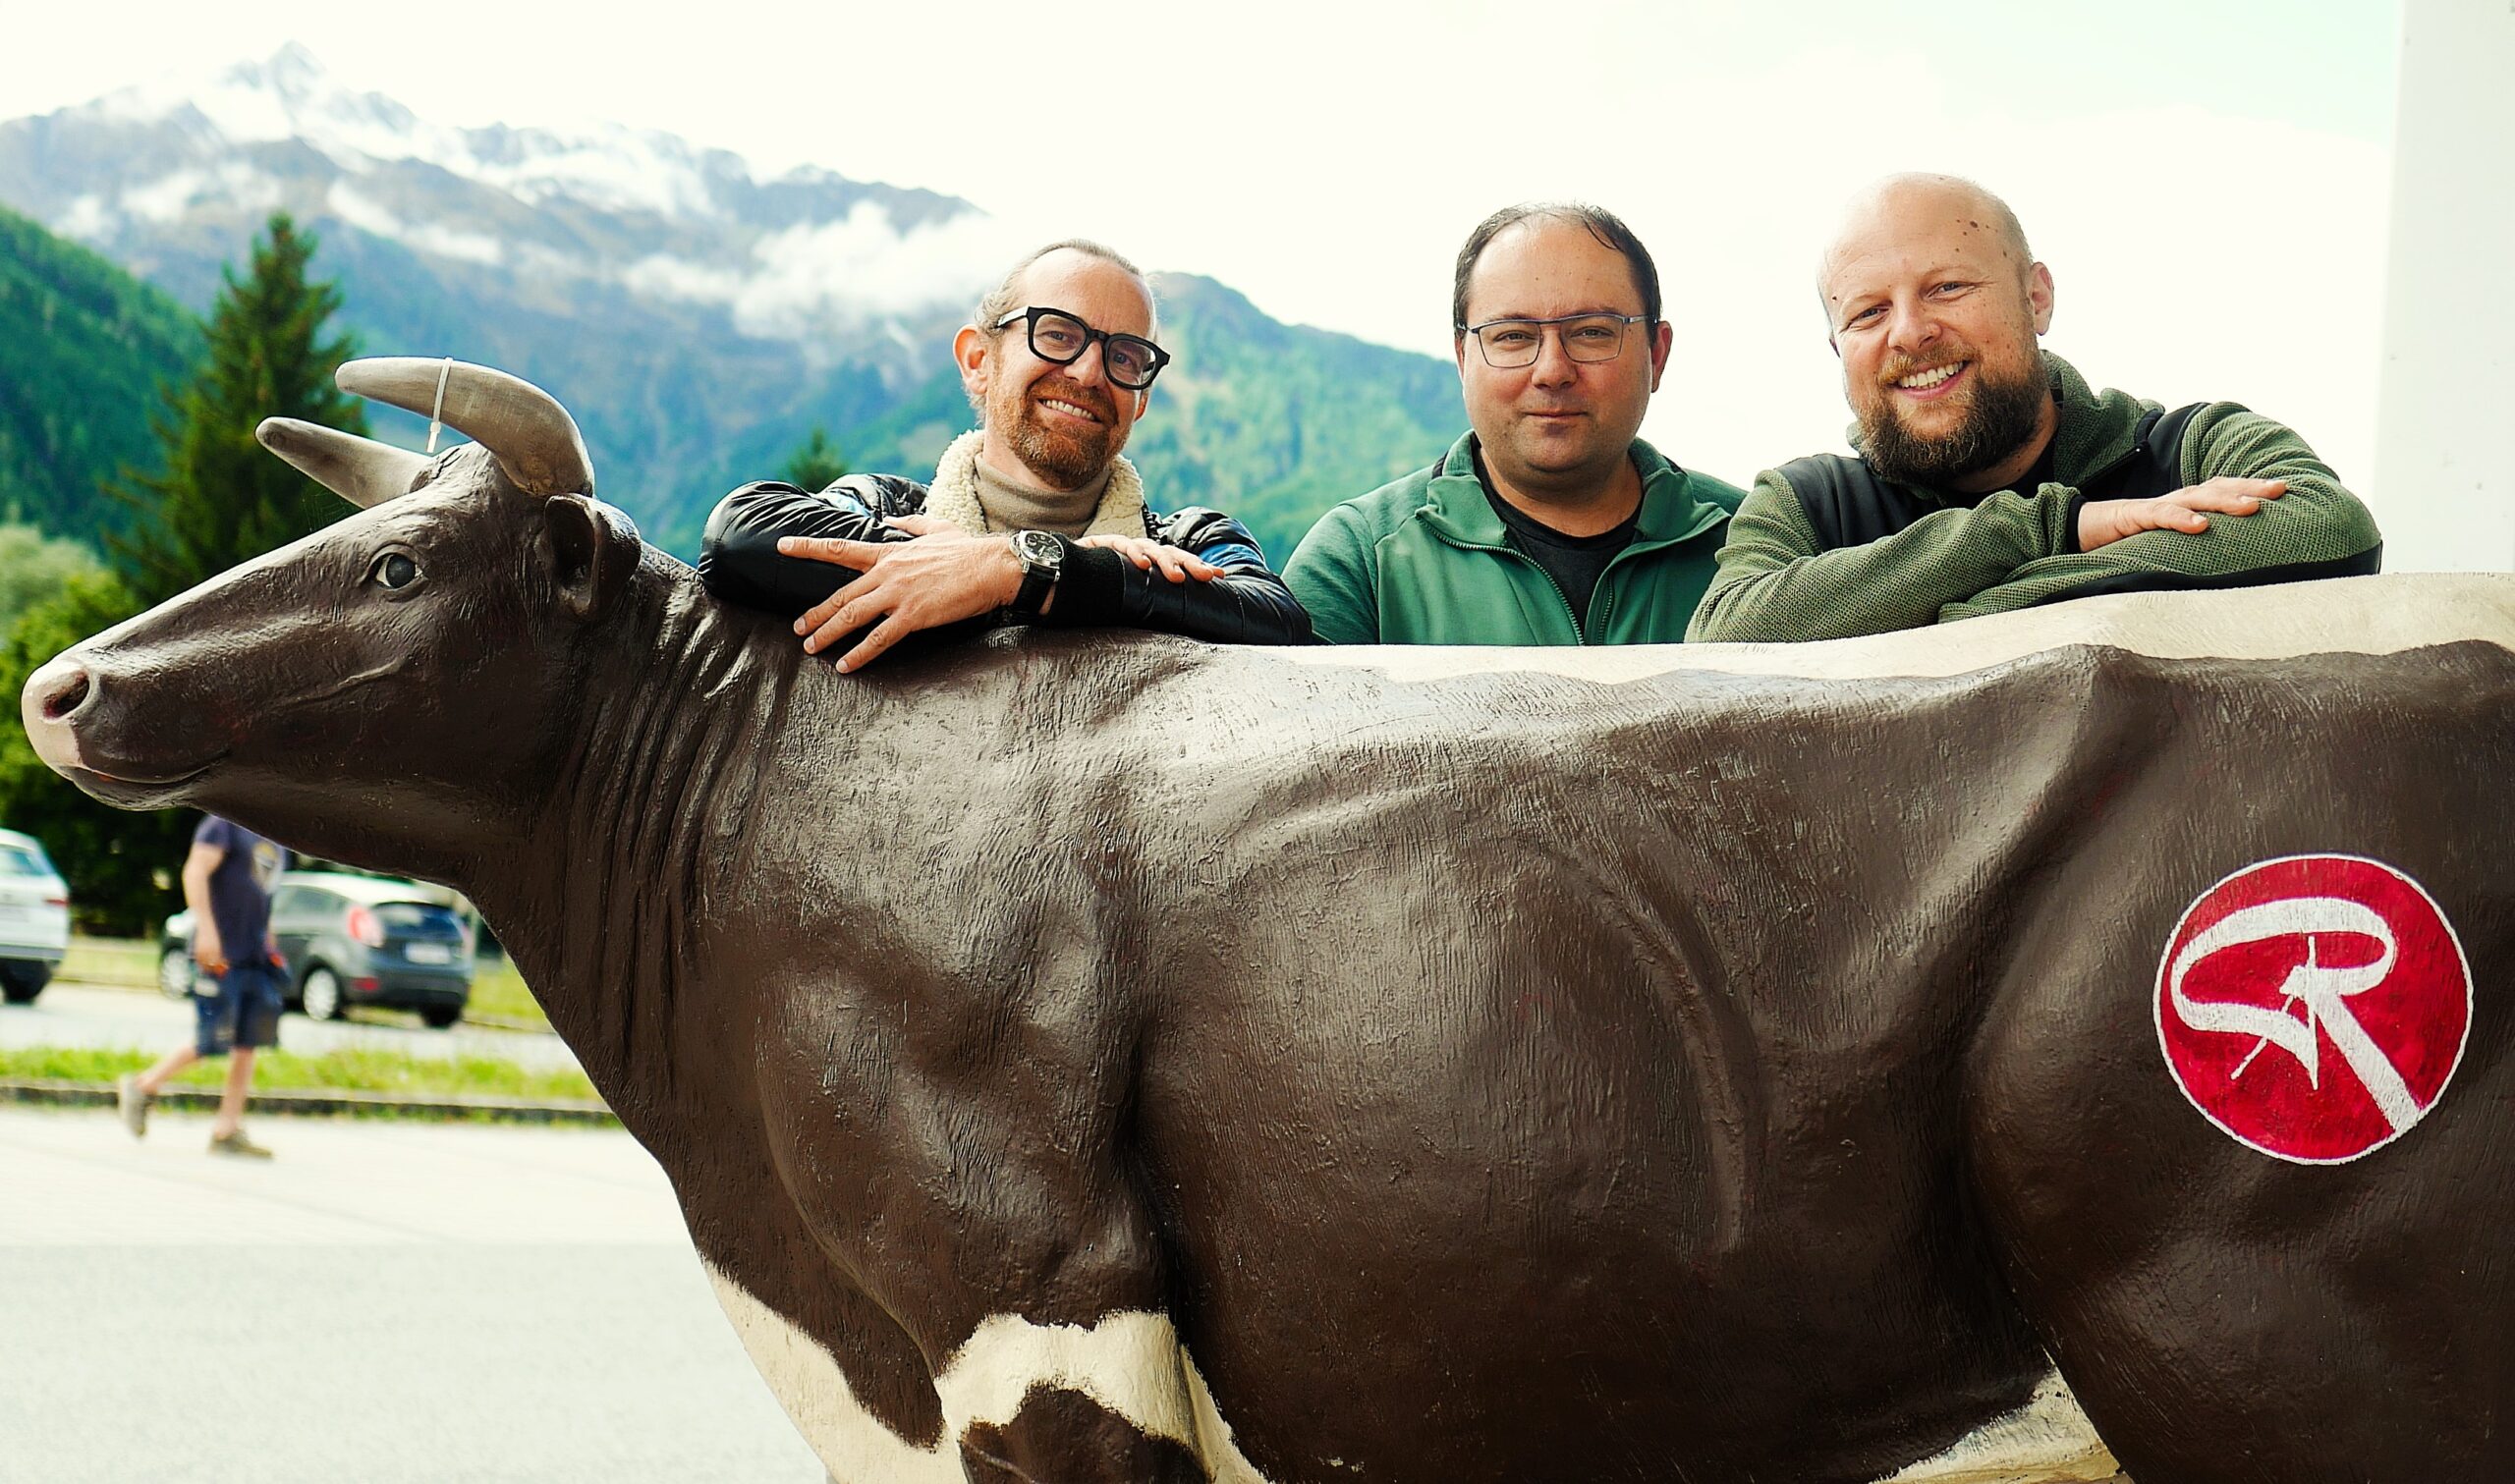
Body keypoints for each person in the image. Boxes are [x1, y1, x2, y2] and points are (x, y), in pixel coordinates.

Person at [1688, 174, 2383, 643]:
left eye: (1948, 287)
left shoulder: (2194, 447)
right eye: (1869, 312)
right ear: (1838, 347)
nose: (1909, 332)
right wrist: (2055, 528)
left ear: (2036, 297)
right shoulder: (1807, 505)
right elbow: (1727, 633)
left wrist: (1960, 613)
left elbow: (2328, 528)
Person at [699, 240, 1310, 666]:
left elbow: (1279, 621)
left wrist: (1024, 570)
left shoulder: (1192, 540)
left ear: (1141, 399)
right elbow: (739, 537)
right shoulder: (878, 504)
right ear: (978, 360)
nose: (1090, 370)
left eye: (1124, 355)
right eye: (1058, 333)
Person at [1284, 202, 1744, 645]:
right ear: (1463, 359)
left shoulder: (1755, 543)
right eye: (1513, 337)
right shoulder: (1359, 560)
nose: (1551, 371)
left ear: (1656, 354)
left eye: (1591, 332)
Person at [116, 815, 288, 1158]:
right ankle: (141, 1086)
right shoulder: (223, 824)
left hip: (254, 955)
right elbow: (195, 871)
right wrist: (206, 931)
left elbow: (261, 890)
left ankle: (227, 1131)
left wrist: (269, 939)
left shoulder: (275, 831)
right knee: (213, 1039)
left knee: (247, 1043)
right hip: (222, 953)